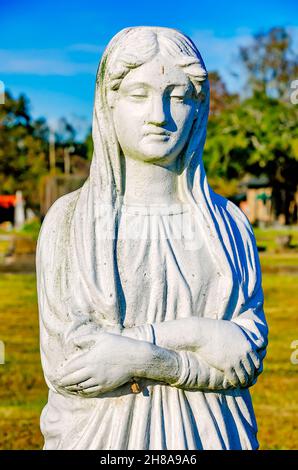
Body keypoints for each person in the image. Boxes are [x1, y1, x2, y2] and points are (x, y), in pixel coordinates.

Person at [36, 26, 268, 450]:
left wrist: (142, 355)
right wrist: (200, 338)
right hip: (100, 440)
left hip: (214, 435)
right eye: (138, 94)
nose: (159, 114)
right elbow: (71, 366)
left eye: (177, 96)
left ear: (199, 108)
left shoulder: (230, 224)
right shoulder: (70, 221)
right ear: (109, 103)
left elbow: (245, 354)